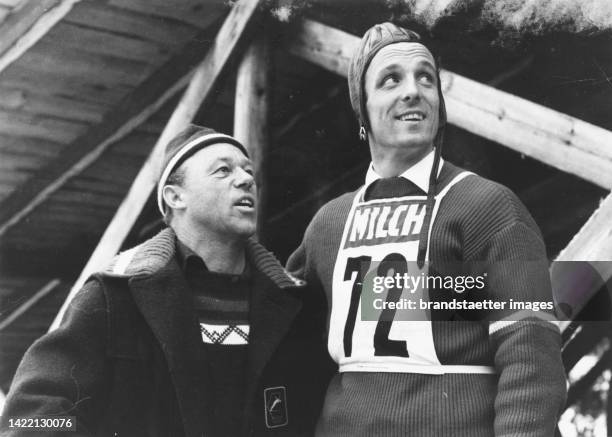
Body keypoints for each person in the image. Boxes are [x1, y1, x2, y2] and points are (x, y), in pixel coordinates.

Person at [288, 23, 566, 436]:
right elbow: (278, 324)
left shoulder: (487, 206)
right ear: (362, 110)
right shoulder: (329, 223)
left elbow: (530, 352)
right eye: (390, 80)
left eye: (426, 78)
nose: (413, 91)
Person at [1, 125, 332, 437]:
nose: (245, 179)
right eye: (223, 170)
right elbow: (30, 414)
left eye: (248, 171)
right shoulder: (114, 294)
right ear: (175, 197)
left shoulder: (294, 304)